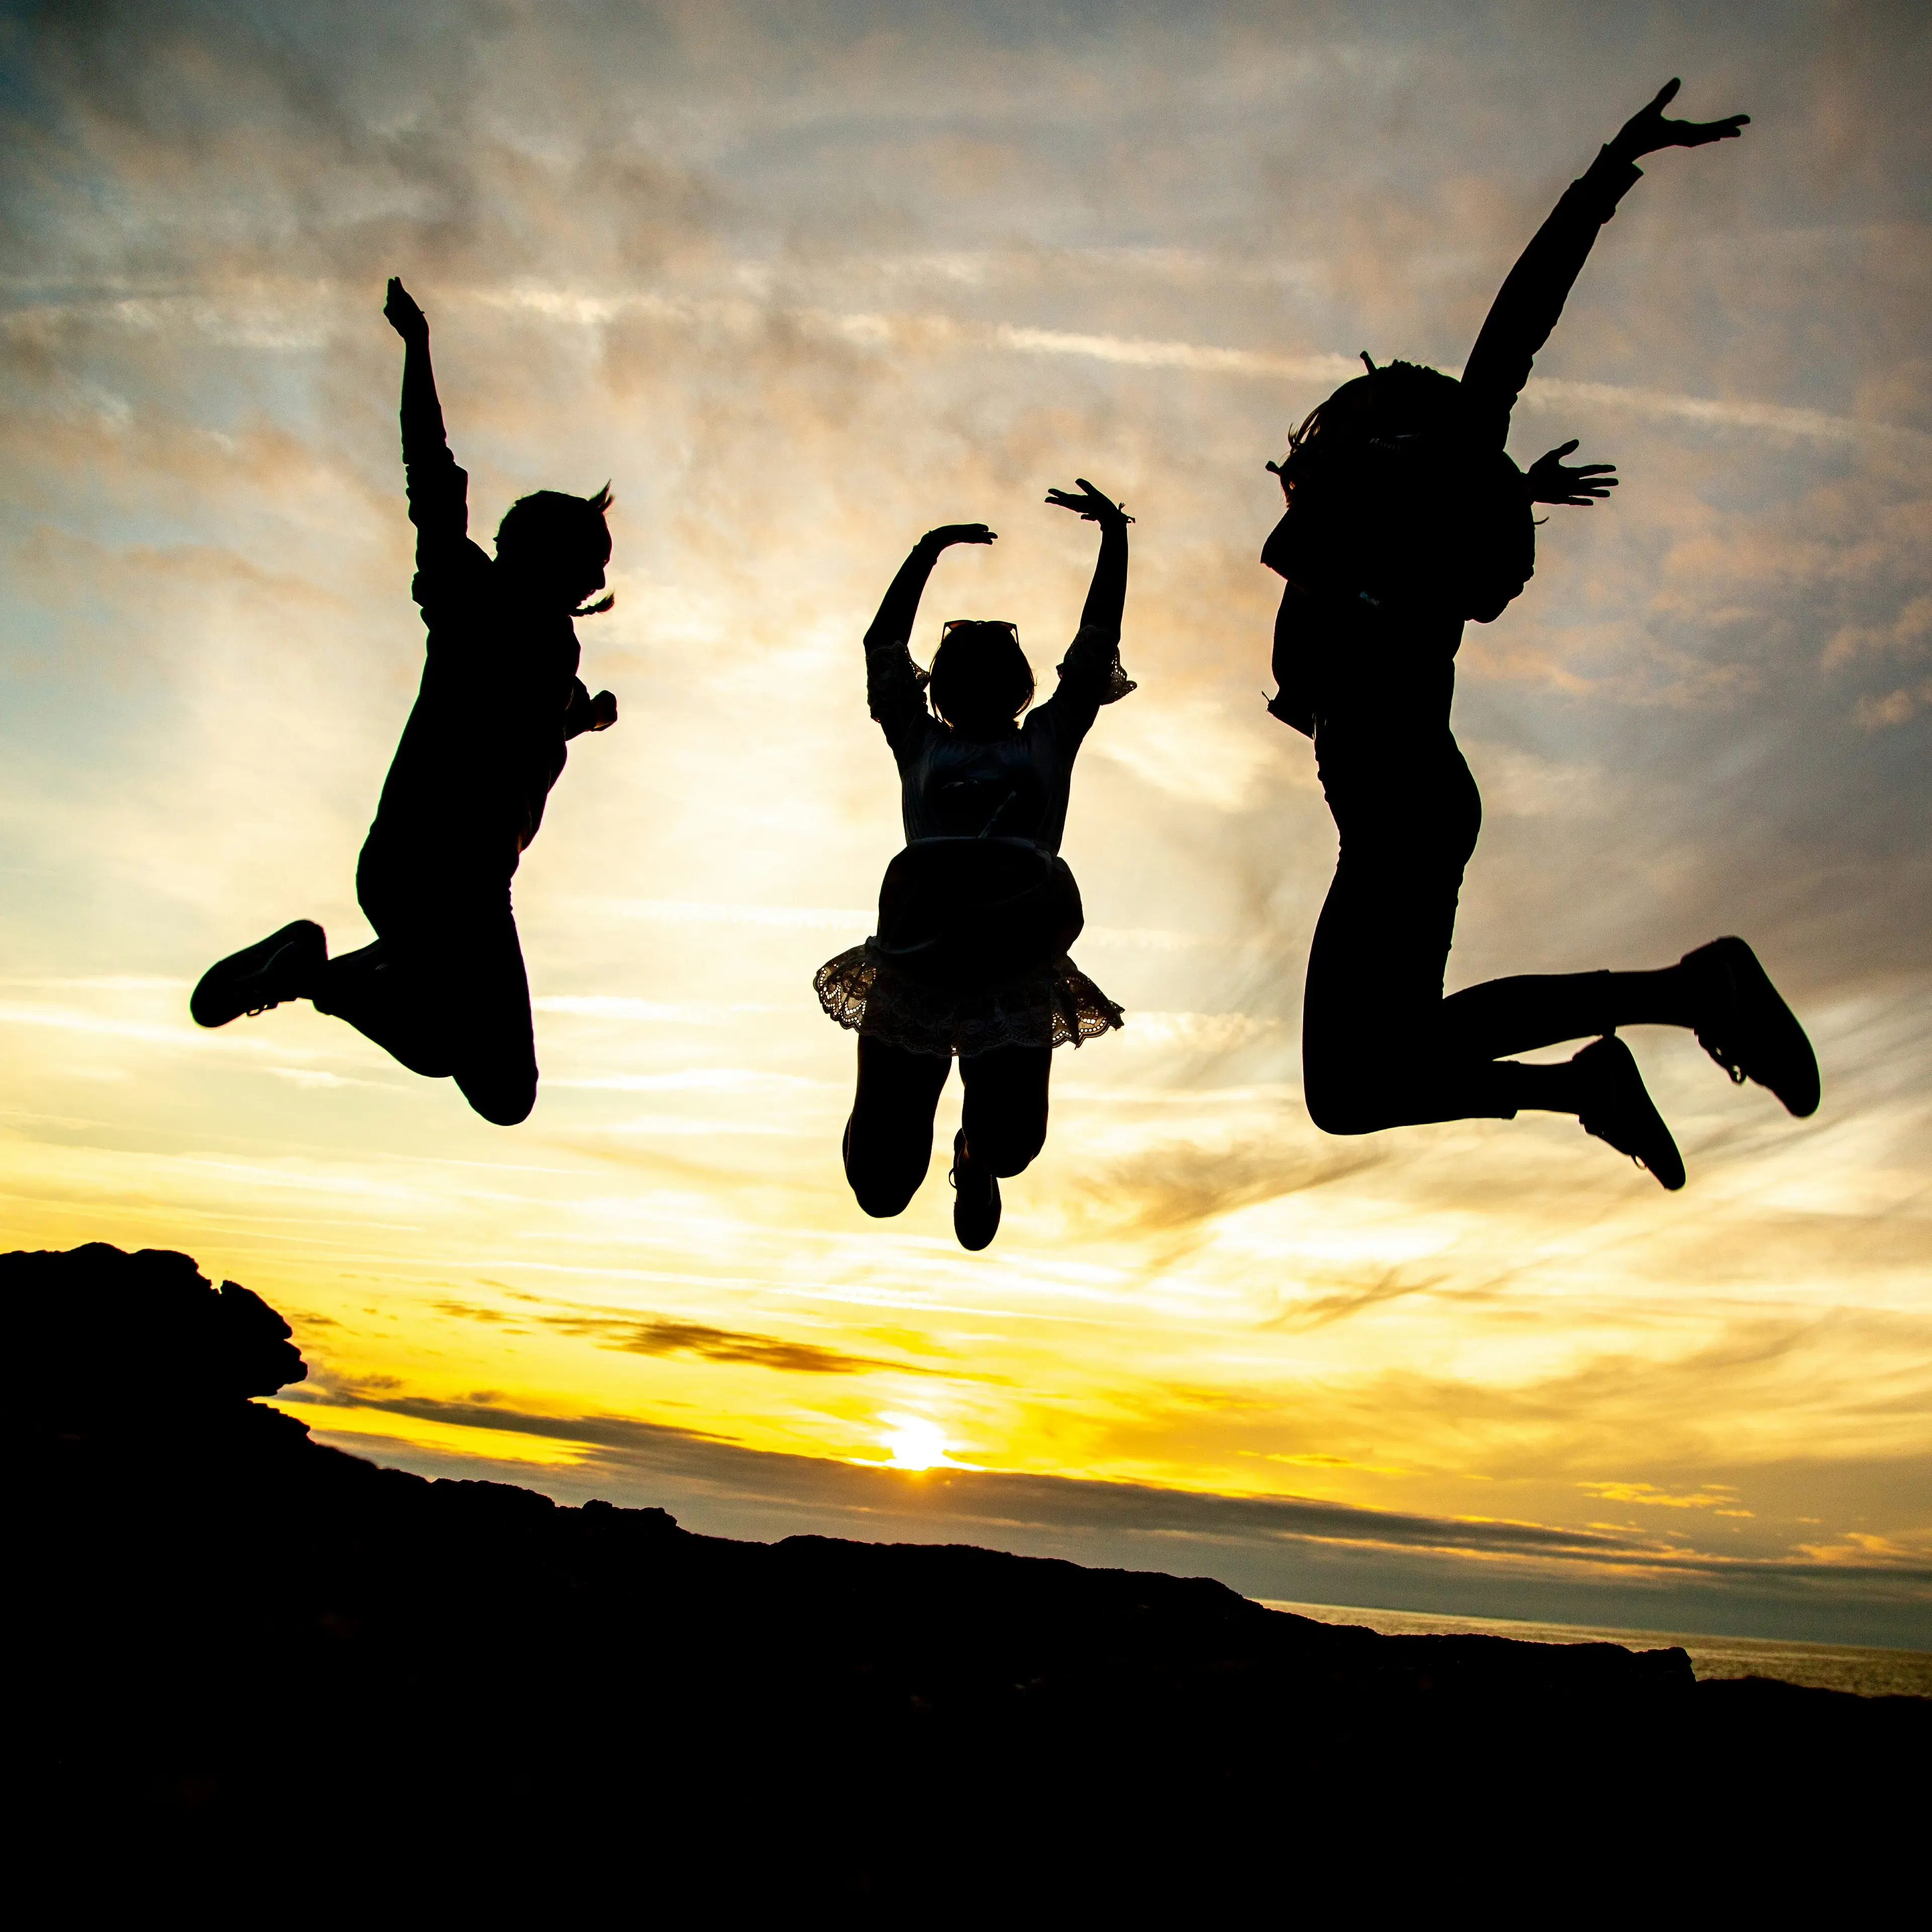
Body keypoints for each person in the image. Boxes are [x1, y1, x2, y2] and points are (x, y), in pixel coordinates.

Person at [1263, 81, 1817, 1190]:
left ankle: (1678, 998)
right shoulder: (1372, 522)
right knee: (1354, 1087)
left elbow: (1519, 320)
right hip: (1402, 803)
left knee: (1355, 1081)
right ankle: (1603, 1071)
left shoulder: (1404, 488)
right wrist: (1506, 482)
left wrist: (1612, 167)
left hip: (1405, 799)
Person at [189, 277, 619, 1125]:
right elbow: (431, 469)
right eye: (595, 557)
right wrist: (417, 348)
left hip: (416, 875)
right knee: (504, 1090)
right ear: (547, 554)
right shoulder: (471, 595)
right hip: (450, 881)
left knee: (443, 1050)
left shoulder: (546, 648)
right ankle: (316, 971)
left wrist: (584, 717)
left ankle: (321, 970)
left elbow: (520, 725)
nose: (605, 576)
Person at [816, 482, 1135, 1249]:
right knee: (881, 1190)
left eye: (999, 668)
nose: (983, 678)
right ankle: (896, 1126)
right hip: (919, 963)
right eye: (964, 665)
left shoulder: (1049, 741)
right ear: (944, 682)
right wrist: (926, 552)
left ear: (1021, 685)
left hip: (1013, 964)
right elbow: (882, 651)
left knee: (1013, 1148)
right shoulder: (920, 742)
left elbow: (1095, 647)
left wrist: (1115, 538)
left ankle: (973, 1154)